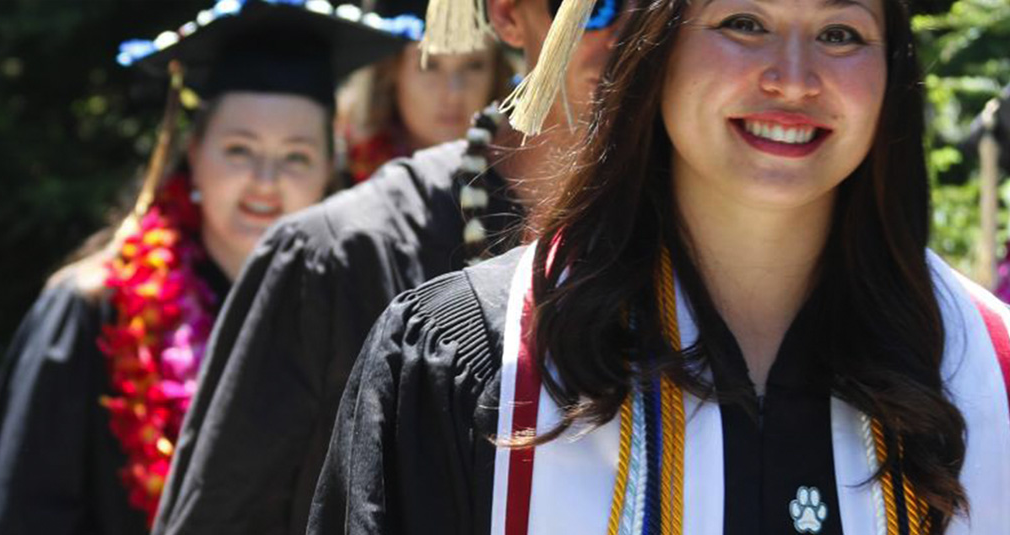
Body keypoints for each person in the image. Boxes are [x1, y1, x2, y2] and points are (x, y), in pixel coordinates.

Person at [311, 0, 1010, 532]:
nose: (795, 80)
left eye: (841, 34)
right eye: (743, 21)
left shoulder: (989, 369)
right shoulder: (476, 360)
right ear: (655, 48)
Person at [151, 0, 627, 533]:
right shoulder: (339, 257)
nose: (636, 30)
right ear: (508, 14)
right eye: (599, 7)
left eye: (664, 7)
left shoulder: (718, 257)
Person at [0, 3, 404, 534]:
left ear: (329, 172)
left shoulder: (360, 318)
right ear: (194, 153)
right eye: (239, 150)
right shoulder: (95, 310)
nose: (265, 181)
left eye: (296, 157)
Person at [338, 0, 514, 183]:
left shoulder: (525, 181)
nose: (453, 93)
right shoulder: (336, 175)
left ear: (496, 71)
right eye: (429, 65)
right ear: (390, 72)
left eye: (474, 66)